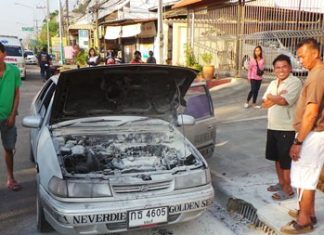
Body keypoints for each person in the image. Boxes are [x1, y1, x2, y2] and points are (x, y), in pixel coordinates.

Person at [280, 38, 324, 234]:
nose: (300, 60)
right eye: (298, 57)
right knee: (306, 177)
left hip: (312, 134)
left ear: (315, 53)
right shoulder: (315, 73)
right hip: (310, 133)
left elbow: (312, 112)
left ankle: (304, 221)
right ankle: (308, 212)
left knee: (306, 178)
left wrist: (298, 141)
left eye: (302, 56)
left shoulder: (318, 76)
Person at [262, 54, 302, 201]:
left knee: (286, 161)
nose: (281, 70)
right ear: (273, 69)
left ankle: (288, 189)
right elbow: (264, 104)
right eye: (277, 67)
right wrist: (276, 97)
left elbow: (285, 101)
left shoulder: (295, 82)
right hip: (272, 126)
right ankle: (281, 183)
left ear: (290, 68)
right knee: (277, 158)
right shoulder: (273, 83)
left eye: (284, 66)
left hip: (287, 128)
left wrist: (274, 97)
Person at [0, 42, 22, 191]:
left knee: (9, 148)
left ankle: (11, 178)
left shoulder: (13, 71)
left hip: (7, 117)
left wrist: (13, 114)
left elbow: (16, 94)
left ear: (4, 54)